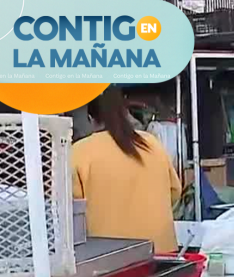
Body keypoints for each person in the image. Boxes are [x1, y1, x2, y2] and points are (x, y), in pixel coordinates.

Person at [72, 86, 182, 253]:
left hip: (110, 257)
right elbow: (175, 191)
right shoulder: (151, 143)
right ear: (125, 114)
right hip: (162, 250)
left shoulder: (79, 151)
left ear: (90, 118)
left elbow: (72, 210)